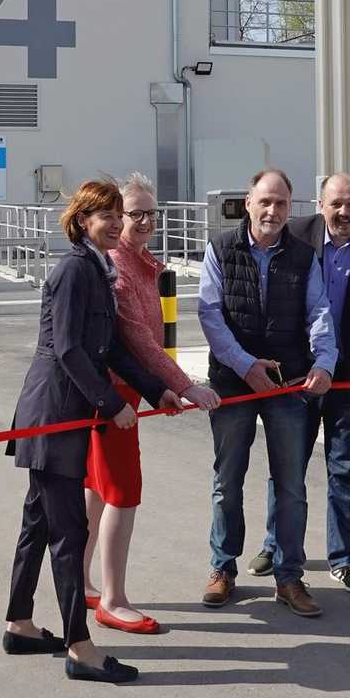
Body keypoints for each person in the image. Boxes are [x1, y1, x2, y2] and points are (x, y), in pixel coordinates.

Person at [3, 180, 183, 683]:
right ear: (84, 221)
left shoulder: (97, 270)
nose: (116, 222)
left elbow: (115, 350)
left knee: (38, 523)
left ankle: (19, 623)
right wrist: (110, 403)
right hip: (54, 415)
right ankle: (80, 649)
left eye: (117, 214)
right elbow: (67, 350)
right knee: (67, 532)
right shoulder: (75, 270)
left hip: (64, 413)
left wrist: (155, 392)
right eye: (106, 215)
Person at [250, 172, 350, 595]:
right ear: (320, 205)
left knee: (348, 470)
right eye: (336, 204)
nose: (344, 212)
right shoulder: (296, 236)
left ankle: (342, 558)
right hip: (299, 377)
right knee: (288, 470)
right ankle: (275, 546)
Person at [82, 173, 221, 635]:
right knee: (121, 492)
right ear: (114, 216)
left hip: (124, 391)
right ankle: (113, 599)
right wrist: (185, 385)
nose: (143, 221)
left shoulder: (138, 261)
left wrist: (162, 390)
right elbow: (138, 341)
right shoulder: (117, 268)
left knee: (98, 491)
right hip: (112, 396)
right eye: (132, 213)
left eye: (149, 213)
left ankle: (83, 581)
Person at [197, 168, 337, 617]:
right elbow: (210, 316)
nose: (273, 211)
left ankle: (289, 578)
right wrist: (244, 365)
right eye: (265, 202)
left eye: (281, 203)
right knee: (227, 482)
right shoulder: (221, 248)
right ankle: (223, 569)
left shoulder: (302, 255)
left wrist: (324, 362)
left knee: (292, 486)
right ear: (249, 203)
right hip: (232, 384)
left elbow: (319, 311)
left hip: (287, 383)